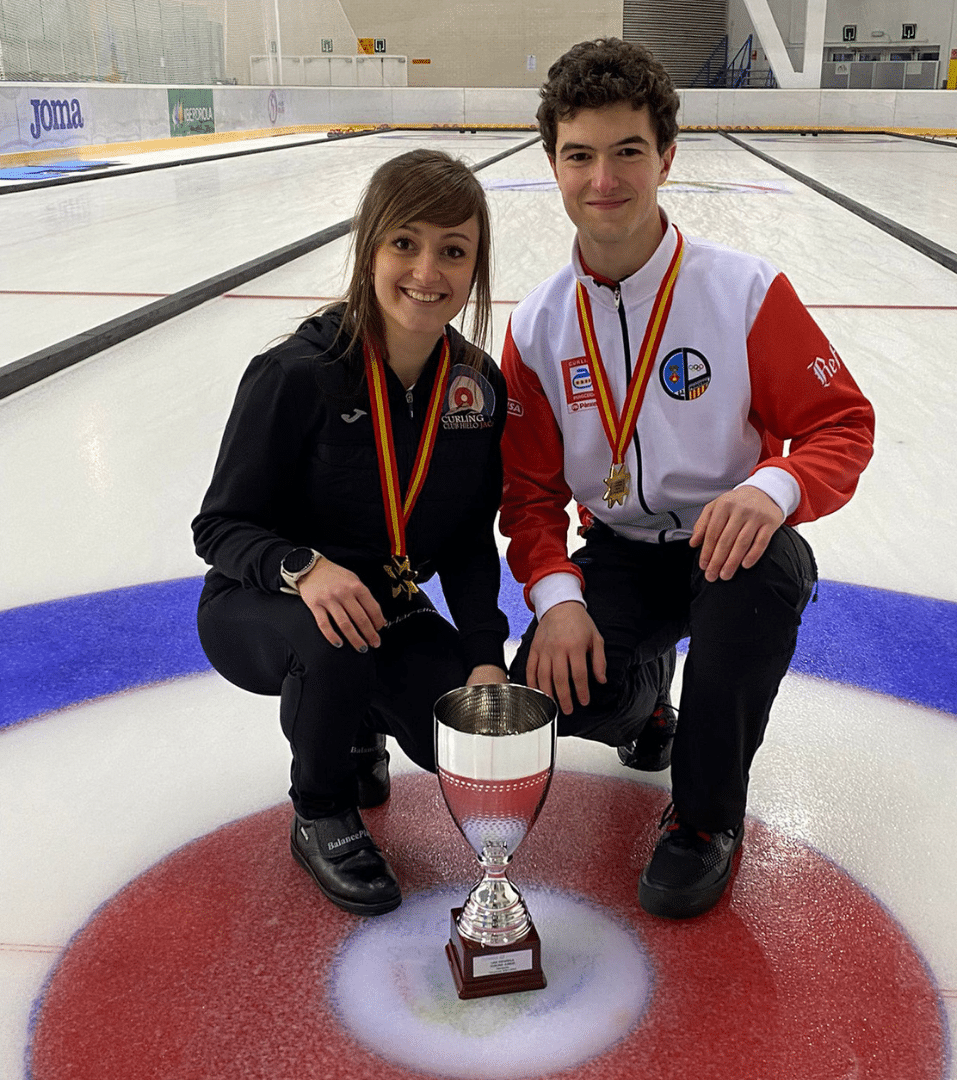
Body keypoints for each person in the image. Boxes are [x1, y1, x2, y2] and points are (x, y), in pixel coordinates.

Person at [500, 39, 875, 919]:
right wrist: (558, 600)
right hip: (621, 551)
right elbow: (528, 498)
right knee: (554, 692)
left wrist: (774, 488)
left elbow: (841, 425)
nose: (605, 178)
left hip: (728, 542)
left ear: (667, 157)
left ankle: (706, 822)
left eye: (629, 150)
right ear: (551, 162)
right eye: (580, 155)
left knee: (759, 585)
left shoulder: (744, 292)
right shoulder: (537, 326)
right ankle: (647, 709)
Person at [193, 149, 509, 917]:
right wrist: (302, 565)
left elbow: (468, 540)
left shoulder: (474, 388)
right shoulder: (297, 375)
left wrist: (482, 660)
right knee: (331, 640)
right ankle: (321, 808)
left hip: (386, 606)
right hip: (262, 604)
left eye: (453, 250)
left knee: (457, 743)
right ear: (370, 246)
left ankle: (358, 723)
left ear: (475, 270)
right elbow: (219, 526)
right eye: (405, 242)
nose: (427, 270)